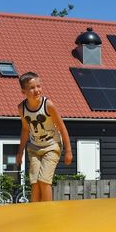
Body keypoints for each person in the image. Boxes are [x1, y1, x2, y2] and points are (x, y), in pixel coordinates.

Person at [16, 72, 73, 202]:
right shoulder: (21, 108)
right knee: (35, 183)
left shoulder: (48, 105)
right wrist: (20, 152)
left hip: (52, 146)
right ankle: (35, 213)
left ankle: (47, 214)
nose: (37, 90)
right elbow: (25, 129)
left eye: (38, 86)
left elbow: (62, 127)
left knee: (44, 180)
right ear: (23, 91)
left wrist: (68, 150)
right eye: (32, 88)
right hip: (34, 148)